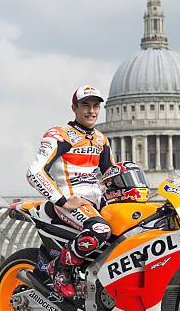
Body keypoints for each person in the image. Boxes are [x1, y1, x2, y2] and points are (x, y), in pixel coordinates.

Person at [27, 85, 115, 298]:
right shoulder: (59, 135)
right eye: (85, 105)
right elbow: (34, 172)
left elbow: (111, 174)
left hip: (96, 201)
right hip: (71, 200)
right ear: (74, 107)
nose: (91, 111)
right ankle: (61, 268)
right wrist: (62, 200)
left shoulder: (101, 140)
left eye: (95, 106)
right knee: (101, 231)